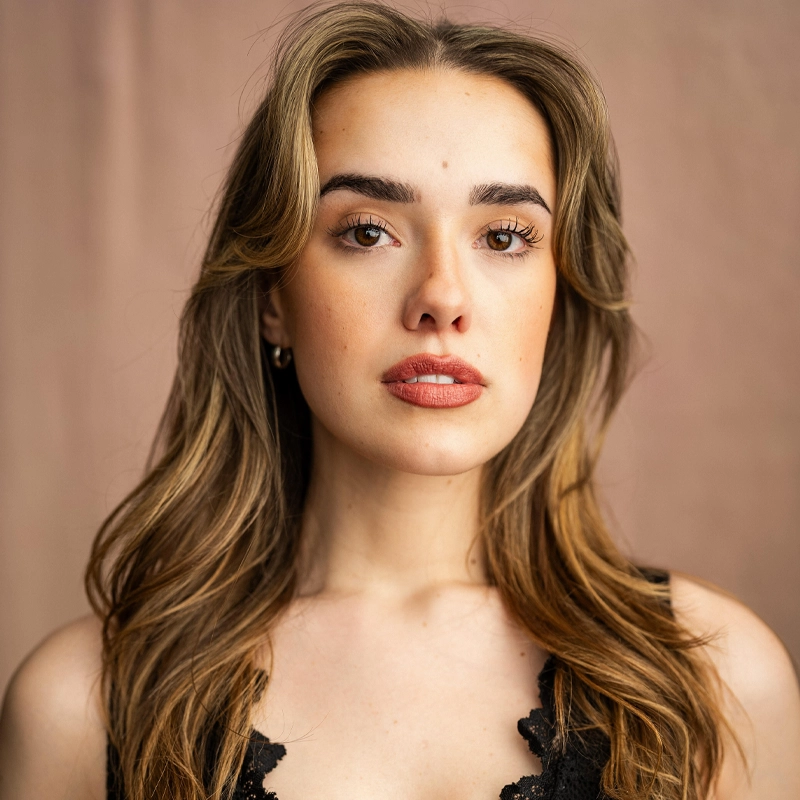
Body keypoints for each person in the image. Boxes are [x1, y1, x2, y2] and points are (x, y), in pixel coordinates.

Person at [1, 3, 798, 799]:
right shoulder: (80, 708)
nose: (442, 297)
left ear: (561, 294)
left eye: (505, 236)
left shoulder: (716, 678)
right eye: (369, 230)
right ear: (273, 295)